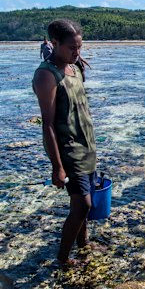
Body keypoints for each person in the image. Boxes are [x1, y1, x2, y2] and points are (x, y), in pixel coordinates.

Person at [32, 19, 98, 267]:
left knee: (86, 203)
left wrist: (75, 58)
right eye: (72, 48)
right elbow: (47, 124)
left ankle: (83, 244)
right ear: (55, 43)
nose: (77, 52)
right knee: (82, 206)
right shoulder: (46, 75)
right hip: (69, 150)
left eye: (79, 47)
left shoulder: (75, 67)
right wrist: (56, 166)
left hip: (87, 146)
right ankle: (62, 259)